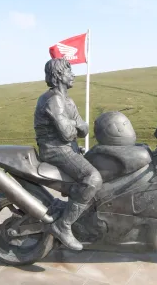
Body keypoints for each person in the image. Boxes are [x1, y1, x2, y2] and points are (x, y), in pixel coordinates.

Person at [34, 56, 103, 250]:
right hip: (55, 150)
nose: (73, 75)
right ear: (59, 75)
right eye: (69, 71)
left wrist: (75, 126)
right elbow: (67, 133)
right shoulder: (53, 100)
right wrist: (75, 125)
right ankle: (63, 225)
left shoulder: (68, 101)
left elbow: (85, 130)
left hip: (67, 147)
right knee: (93, 178)